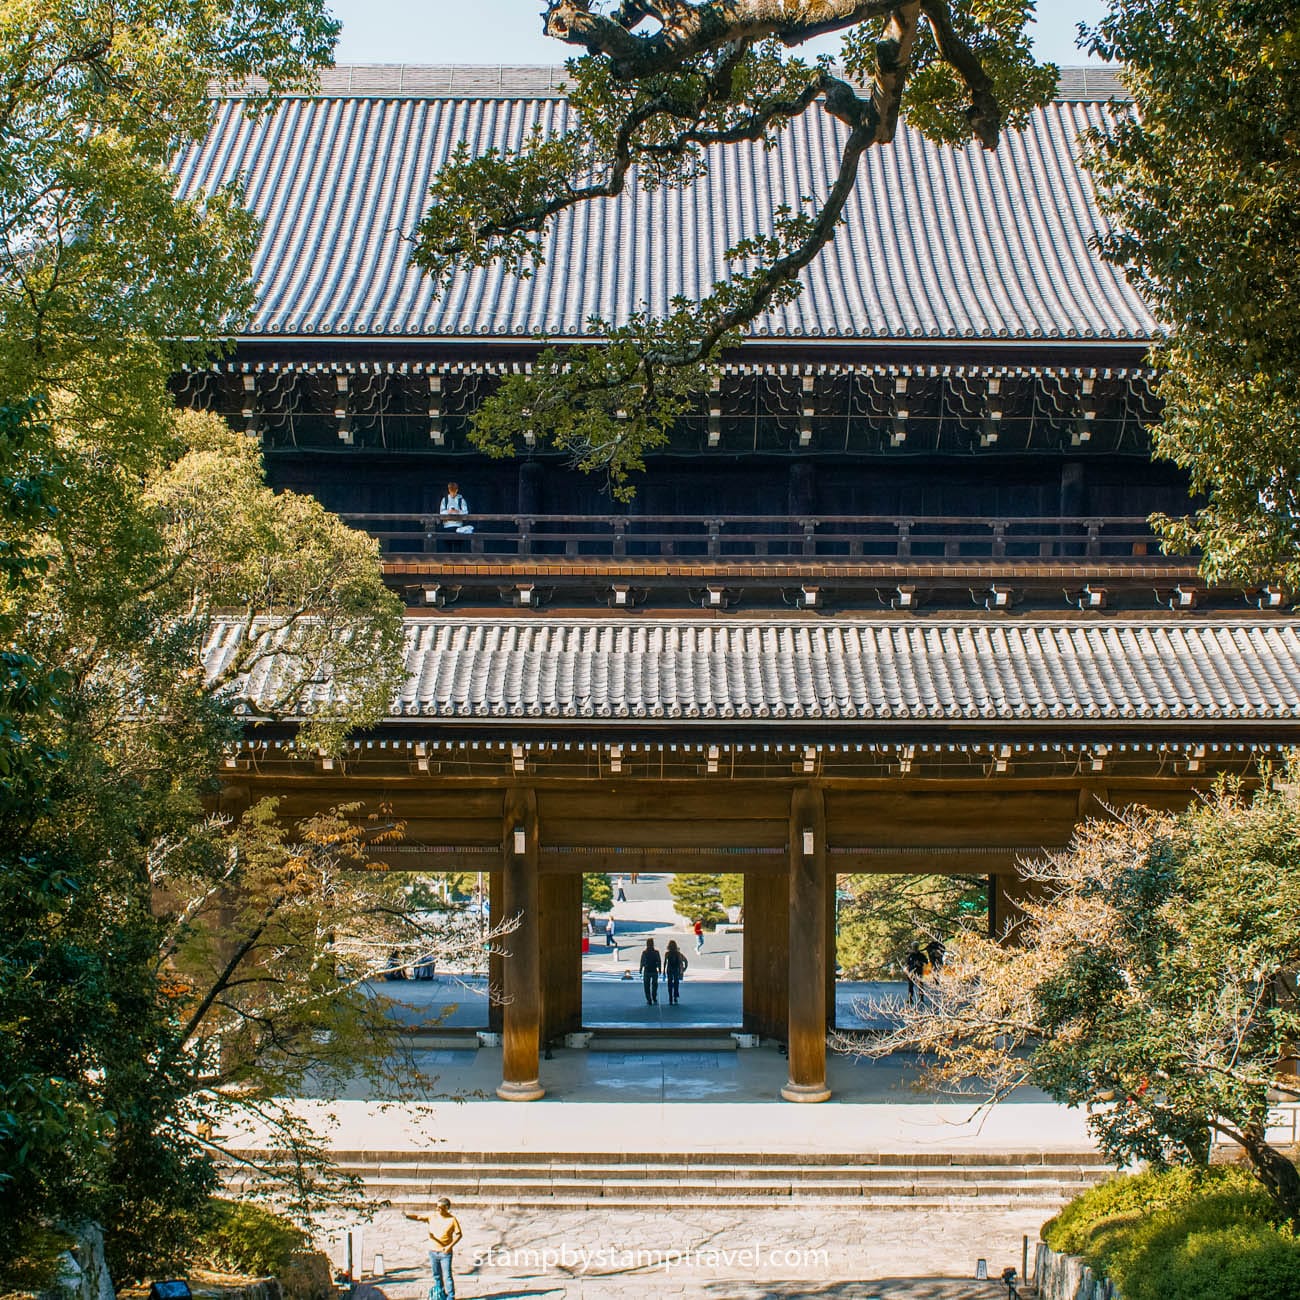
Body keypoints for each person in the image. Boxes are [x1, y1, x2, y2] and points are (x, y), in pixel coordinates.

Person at [403, 1197, 462, 1300]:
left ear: (446, 1208)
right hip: (433, 1251)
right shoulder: (432, 1216)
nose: (437, 1209)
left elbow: (459, 1235)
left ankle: (451, 1297)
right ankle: (440, 1293)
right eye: (437, 1206)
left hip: (445, 1253)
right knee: (437, 1275)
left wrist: (449, 1246)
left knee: (447, 1276)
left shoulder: (452, 1220)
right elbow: (418, 1217)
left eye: (440, 1207)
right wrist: (407, 1216)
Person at [438, 481, 474, 551]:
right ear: (448, 490)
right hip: (447, 526)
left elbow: (466, 512)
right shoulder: (445, 500)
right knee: (447, 546)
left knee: (458, 546)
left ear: (457, 490)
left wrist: (457, 512)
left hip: (458, 526)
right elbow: (441, 513)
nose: (452, 494)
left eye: (454, 492)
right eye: (451, 492)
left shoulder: (461, 500)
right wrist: (448, 512)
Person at [663, 939, 688, 1005]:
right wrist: (682, 969)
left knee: (669, 983)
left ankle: (670, 997)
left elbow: (665, 962)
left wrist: (663, 971)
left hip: (669, 969)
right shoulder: (678, 953)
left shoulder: (667, 953)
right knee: (676, 983)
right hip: (676, 970)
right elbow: (680, 961)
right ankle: (675, 996)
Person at [640, 937, 661, 1005]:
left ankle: (649, 999)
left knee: (646, 985)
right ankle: (654, 997)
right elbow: (659, 961)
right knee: (654, 985)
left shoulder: (644, 952)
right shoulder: (656, 952)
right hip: (654, 970)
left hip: (647, 970)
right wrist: (660, 969)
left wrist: (640, 969)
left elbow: (642, 961)